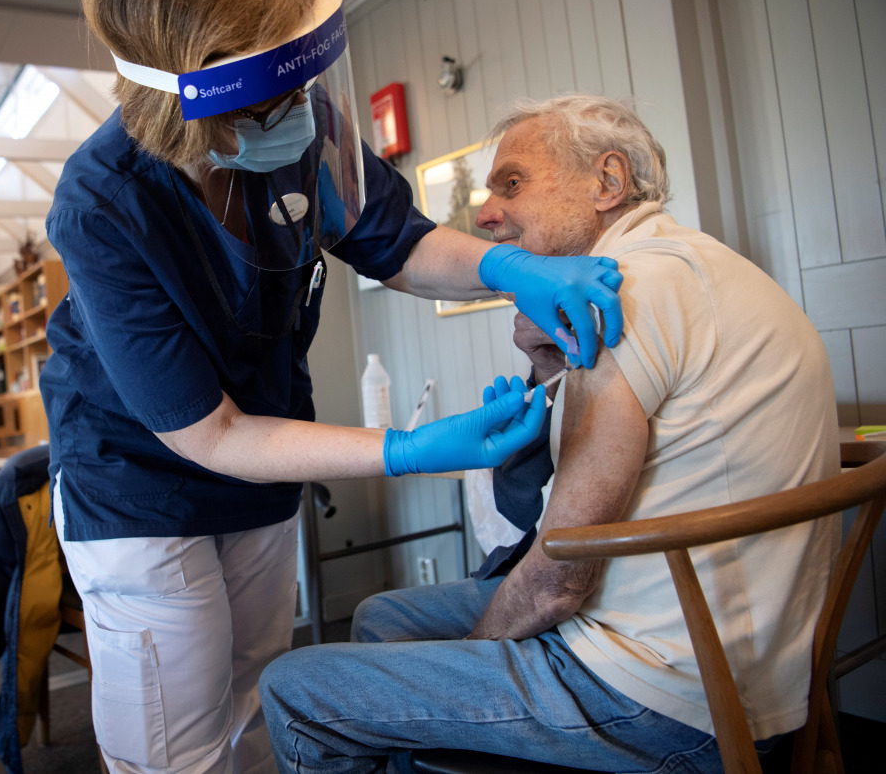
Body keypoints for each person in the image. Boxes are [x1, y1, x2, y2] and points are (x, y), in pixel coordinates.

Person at [39, 0, 626, 770]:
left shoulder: (298, 121)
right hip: (144, 477)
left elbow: (402, 244)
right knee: (176, 740)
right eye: (275, 95)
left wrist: (501, 268)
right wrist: (408, 449)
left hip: (264, 459)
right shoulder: (104, 201)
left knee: (251, 697)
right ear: (201, 98)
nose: (302, 112)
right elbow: (209, 434)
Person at [259, 94, 841, 773]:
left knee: (294, 688)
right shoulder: (691, 268)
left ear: (608, 182)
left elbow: (555, 580)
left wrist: (464, 664)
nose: (483, 214)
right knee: (385, 619)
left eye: (513, 183)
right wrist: (548, 369)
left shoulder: (627, 293)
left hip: (661, 696)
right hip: (724, 660)